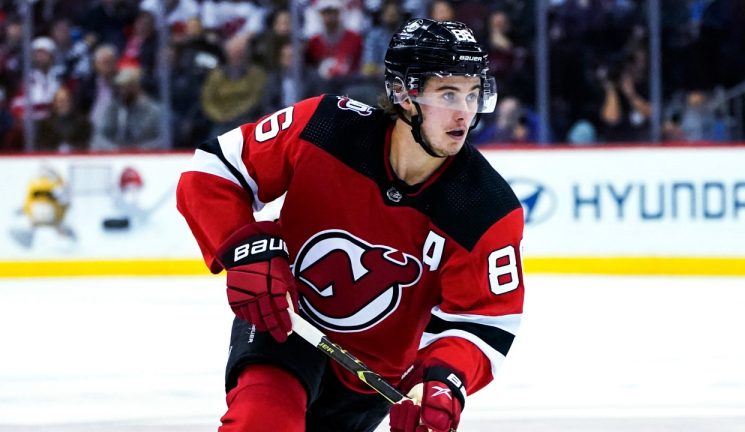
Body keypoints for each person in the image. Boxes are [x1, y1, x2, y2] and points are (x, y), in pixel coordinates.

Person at [177, 18, 525, 432]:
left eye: (472, 94)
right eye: (448, 93)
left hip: (372, 376)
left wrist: (442, 380)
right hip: (285, 322)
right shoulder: (325, 128)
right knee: (261, 421)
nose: (464, 113)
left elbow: (484, 320)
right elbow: (215, 171)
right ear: (403, 93)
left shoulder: (486, 207)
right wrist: (242, 249)